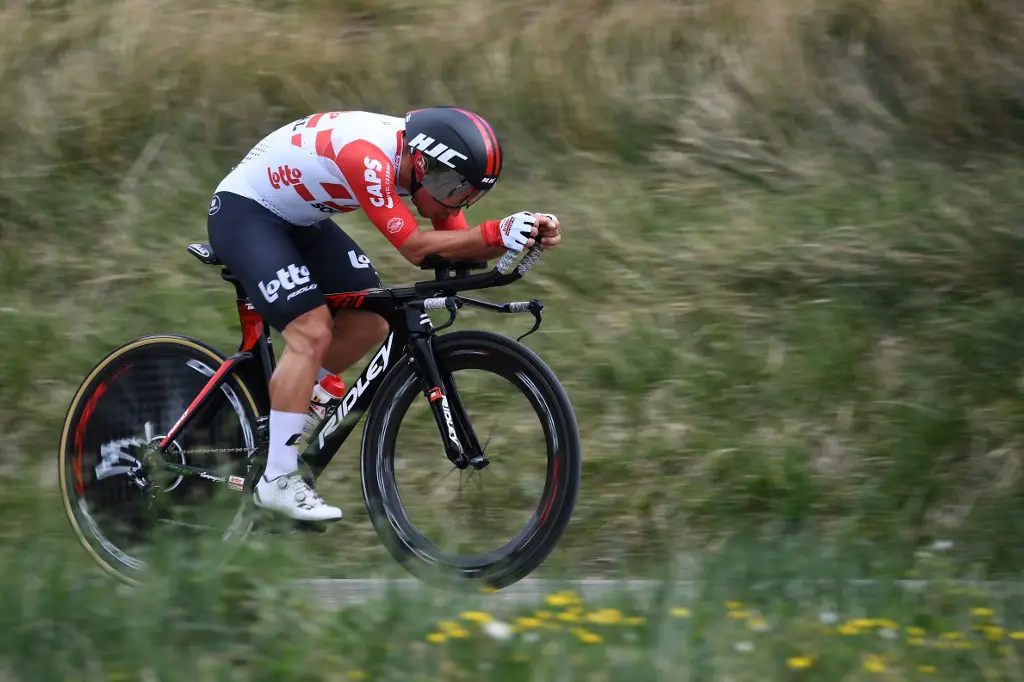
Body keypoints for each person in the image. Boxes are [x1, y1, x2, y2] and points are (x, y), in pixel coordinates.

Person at [205, 107, 562, 522]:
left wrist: (520, 235)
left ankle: (291, 405)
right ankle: (277, 481)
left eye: (468, 193)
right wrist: (494, 233)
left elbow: (452, 240)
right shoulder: (367, 157)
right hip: (246, 212)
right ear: (422, 161)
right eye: (452, 185)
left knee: (369, 320)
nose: (456, 200)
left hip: (300, 219)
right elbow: (416, 249)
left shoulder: (419, 160)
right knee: (312, 329)